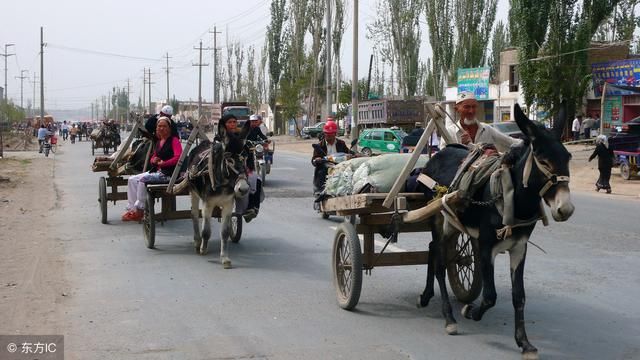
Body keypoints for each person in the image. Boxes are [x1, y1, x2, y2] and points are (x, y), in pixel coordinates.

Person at [122, 117, 183, 221]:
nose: (161, 128)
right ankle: (132, 210)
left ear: (169, 128)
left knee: (143, 180)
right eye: (159, 126)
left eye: (164, 126)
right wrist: (153, 160)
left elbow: (178, 157)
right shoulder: (159, 142)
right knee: (132, 180)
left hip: (169, 174)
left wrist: (164, 163)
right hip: (158, 172)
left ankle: (140, 210)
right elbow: (153, 157)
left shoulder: (174, 141)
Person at [440, 91, 521, 152]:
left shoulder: (487, 129)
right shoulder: (449, 133)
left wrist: (530, 142)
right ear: (457, 109)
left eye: (474, 107)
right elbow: (444, 157)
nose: (471, 111)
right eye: (467, 107)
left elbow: (511, 141)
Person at [312, 121, 351, 196]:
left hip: (339, 166)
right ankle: (319, 192)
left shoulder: (341, 143)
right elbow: (314, 160)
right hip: (325, 167)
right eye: (326, 134)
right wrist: (317, 159)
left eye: (331, 134)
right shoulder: (319, 146)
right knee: (321, 171)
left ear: (335, 134)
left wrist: (354, 154)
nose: (328, 136)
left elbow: (348, 152)